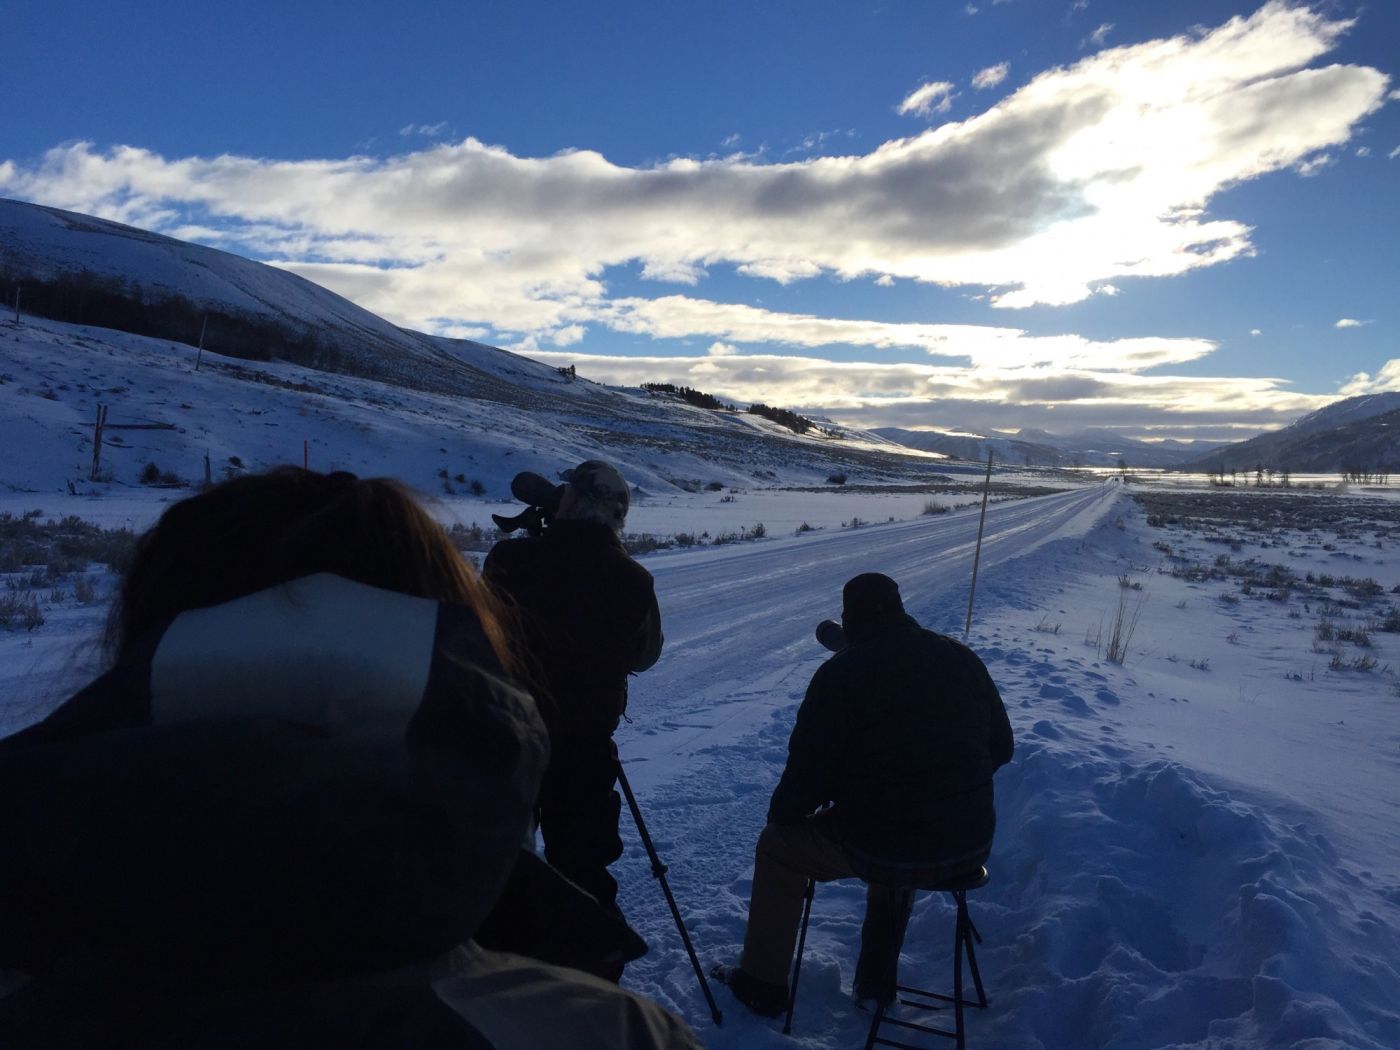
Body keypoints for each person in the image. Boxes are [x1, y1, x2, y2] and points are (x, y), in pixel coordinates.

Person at [0, 467, 700, 1049]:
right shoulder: (618, 1036)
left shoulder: (518, 559)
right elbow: (646, 654)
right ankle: (576, 958)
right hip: (580, 742)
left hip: (515, 724)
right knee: (558, 866)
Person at [713, 572, 1014, 1017]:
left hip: (893, 843)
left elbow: (801, 786)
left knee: (780, 847)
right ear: (899, 609)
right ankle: (875, 985)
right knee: (899, 834)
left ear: (848, 621)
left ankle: (761, 985)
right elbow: (1002, 747)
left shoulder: (840, 675)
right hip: (969, 845)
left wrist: (792, 813)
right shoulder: (960, 657)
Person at [483, 459, 662, 932]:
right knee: (582, 873)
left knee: (494, 866)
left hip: (506, 739)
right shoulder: (634, 580)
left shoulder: (509, 562)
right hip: (583, 749)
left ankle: (497, 974)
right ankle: (590, 977)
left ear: (568, 502)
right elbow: (645, 656)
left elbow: (479, 638)